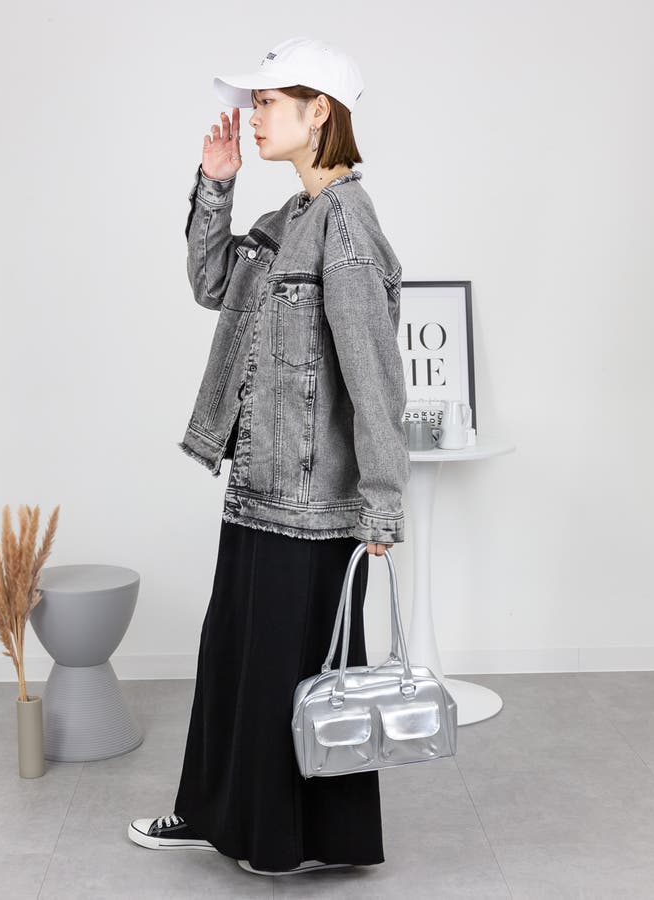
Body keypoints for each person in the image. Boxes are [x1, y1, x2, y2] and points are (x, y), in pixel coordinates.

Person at [128, 37, 410, 876]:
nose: (253, 118)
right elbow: (212, 284)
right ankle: (221, 818)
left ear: (319, 112)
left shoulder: (347, 228)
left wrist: (382, 503)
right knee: (238, 661)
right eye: (252, 103)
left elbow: (375, 378)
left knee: (293, 674)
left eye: (268, 103)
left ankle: (284, 838)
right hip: (259, 486)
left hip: (311, 503)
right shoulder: (289, 219)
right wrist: (216, 184)